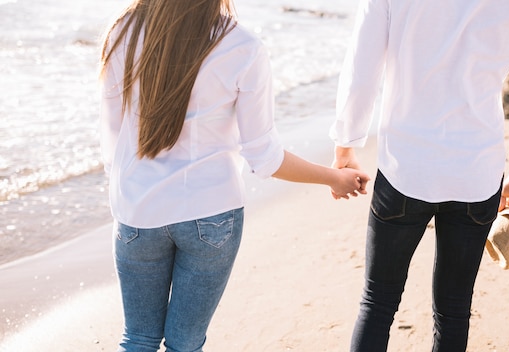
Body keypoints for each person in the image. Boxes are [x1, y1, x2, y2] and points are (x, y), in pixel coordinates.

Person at [98, 0, 369, 351]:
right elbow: (264, 157)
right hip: (210, 215)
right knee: (185, 343)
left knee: (138, 338)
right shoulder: (242, 46)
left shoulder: (123, 31)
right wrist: (333, 177)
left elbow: (111, 138)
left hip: (137, 212)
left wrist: (129, 195)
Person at [330, 0, 509, 350]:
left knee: (377, 304)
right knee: (454, 311)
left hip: (405, 165)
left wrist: (346, 144)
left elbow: (362, 65)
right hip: (476, 172)